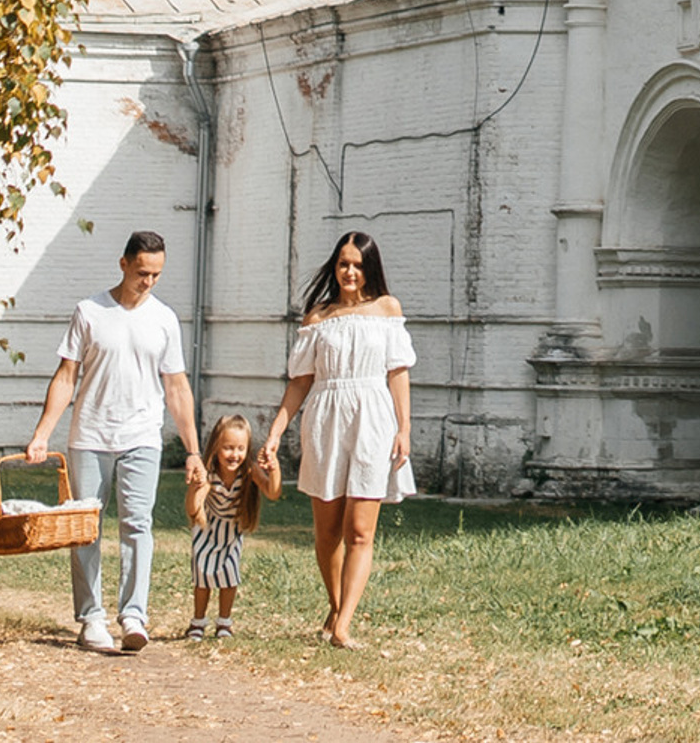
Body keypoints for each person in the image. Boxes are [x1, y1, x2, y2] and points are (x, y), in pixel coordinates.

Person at [23, 229, 206, 654]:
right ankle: (91, 619)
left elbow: (177, 387)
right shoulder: (90, 312)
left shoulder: (164, 319)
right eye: (142, 272)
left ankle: (133, 616)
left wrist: (193, 450)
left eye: (156, 274)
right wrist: (42, 434)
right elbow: (66, 377)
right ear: (123, 264)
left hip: (142, 437)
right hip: (90, 436)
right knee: (85, 527)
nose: (148, 281)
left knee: (138, 524)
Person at [253, 231, 413, 649]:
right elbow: (300, 382)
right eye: (344, 263)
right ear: (335, 266)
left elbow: (398, 372)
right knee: (327, 531)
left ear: (370, 269)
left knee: (359, 529)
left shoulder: (387, 309)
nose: (350, 272)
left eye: (358, 265)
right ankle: (336, 605)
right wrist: (275, 433)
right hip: (326, 419)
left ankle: (343, 625)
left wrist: (404, 428)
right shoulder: (318, 318)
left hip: (372, 419)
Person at [184, 414, 261, 640]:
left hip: (231, 531)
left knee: (229, 575)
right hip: (207, 530)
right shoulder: (209, 475)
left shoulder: (247, 474)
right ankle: (198, 620)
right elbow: (193, 510)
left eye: (240, 448)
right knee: (202, 576)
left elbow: (273, 491)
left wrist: (273, 469)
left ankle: (224, 621)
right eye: (228, 448)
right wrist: (195, 488)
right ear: (216, 447)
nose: (234, 454)